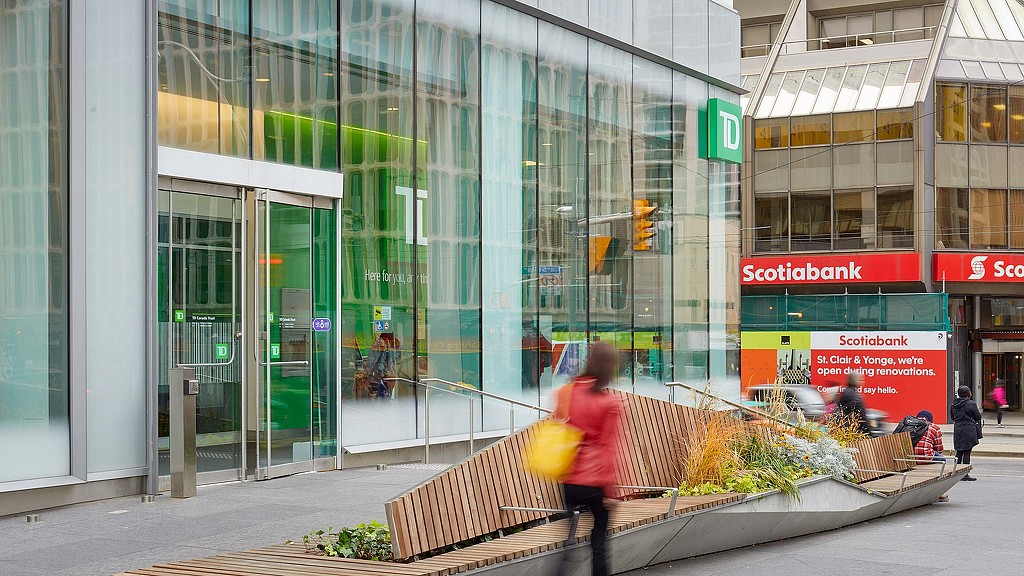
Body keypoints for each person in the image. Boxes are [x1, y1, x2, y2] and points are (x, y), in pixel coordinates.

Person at [555, 342, 624, 576]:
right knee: (599, 543)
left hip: (569, 479)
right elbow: (608, 449)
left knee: (569, 540)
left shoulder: (568, 392)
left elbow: (558, 426)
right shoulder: (609, 403)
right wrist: (611, 493)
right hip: (595, 482)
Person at [951, 385, 982, 481]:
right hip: (968, 429)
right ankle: (965, 474)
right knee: (967, 451)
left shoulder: (953, 404)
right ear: (968, 393)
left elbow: (952, 417)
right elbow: (977, 416)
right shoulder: (971, 404)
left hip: (958, 428)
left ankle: (955, 472)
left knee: (959, 451)